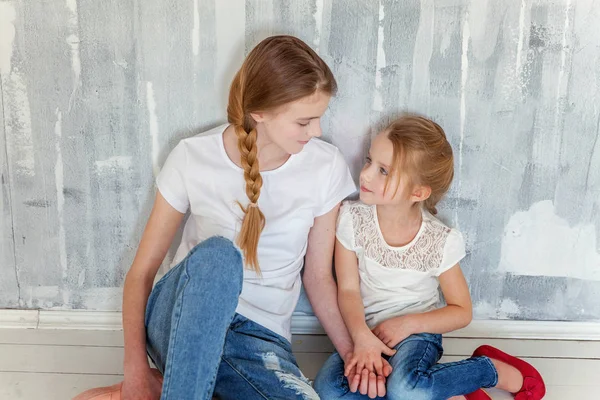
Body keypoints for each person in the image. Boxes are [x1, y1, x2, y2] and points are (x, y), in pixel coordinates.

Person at [75, 35, 362, 400]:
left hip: (260, 341)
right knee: (220, 257)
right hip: (182, 318)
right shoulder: (192, 156)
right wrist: (136, 374)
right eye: (304, 121)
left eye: (319, 119)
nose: (317, 131)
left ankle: (176, 389)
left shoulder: (325, 166)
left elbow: (319, 278)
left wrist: (352, 351)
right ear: (260, 112)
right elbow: (142, 272)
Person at [314, 115, 546, 400]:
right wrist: (361, 337)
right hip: (365, 330)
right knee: (328, 390)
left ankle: (490, 369)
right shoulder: (352, 219)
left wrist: (408, 324)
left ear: (418, 192)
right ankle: (448, 391)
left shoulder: (438, 240)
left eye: (384, 171)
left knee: (404, 389)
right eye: (369, 160)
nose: (365, 175)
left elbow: (461, 311)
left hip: (417, 334)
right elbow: (347, 290)